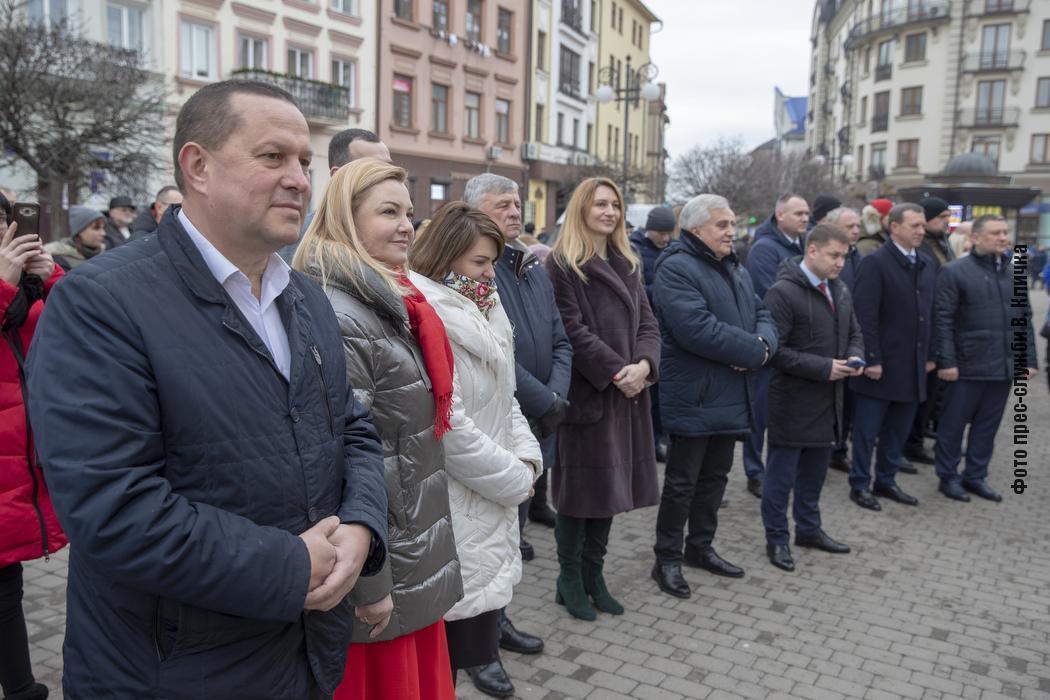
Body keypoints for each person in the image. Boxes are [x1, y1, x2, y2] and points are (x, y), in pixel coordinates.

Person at [25, 79, 389, 698]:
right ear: (197, 166)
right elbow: (110, 505)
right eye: (273, 157)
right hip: (170, 670)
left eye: (304, 161)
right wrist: (288, 566)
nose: (301, 178)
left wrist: (361, 527)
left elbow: (351, 428)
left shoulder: (304, 297)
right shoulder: (101, 302)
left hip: (304, 655)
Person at [293, 159, 462, 700]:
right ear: (345, 218)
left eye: (409, 212)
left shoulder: (384, 298)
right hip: (386, 565)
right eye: (388, 212)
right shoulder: (345, 313)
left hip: (406, 543)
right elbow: (340, 459)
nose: (407, 226)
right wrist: (370, 581)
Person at [408, 203, 542, 700]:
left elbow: (505, 397)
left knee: (470, 642)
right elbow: (448, 424)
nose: (490, 274)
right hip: (454, 503)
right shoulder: (427, 315)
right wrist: (514, 477)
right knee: (440, 656)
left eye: (492, 262)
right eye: (480, 263)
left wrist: (527, 460)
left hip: (492, 494)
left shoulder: (484, 303)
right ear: (446, 259)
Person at [650, 194, 777, 599]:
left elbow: (763, 313)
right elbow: (696, 329)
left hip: (730, 394)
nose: (731, 231)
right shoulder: (676, 268)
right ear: (696, 229)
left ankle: (700, 547)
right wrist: (753, 351)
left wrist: (763, 347)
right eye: (722, 225)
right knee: (682, 482)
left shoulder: (733, 265)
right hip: (695, 395)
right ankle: (666, 558)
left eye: (732, 224)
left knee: (717, 478)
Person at [464, 173, 569, 660]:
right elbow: (496, 357)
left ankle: (499, 623)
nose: (515, 211)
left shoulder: (530, 265)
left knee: (514, 535)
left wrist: (556, 396)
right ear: (473, 212)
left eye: (517, 203)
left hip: (536, 424)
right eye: (502, 204)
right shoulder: (469, 271)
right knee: (485, 541)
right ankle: (480, 650)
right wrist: (545, 401)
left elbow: (559, 337)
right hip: (497, 425)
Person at [546, 177, 661, 618]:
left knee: (611, 491)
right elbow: (571, 331)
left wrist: (645, 366)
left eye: (615, 204)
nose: (610, 212)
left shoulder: (628, 263)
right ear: (581, 209)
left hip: (628, 396)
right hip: (589, 397)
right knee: (580, 495)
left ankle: (595, 574)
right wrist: (618, 370)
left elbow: (649, 323)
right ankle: (570, 577)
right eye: (600, 204)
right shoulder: (561, 265)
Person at [761, 224, 862, 572]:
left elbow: (854, 333)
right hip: (792, 403)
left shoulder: (841, 289)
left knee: (815, 475)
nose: (840, 263)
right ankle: (776, 539)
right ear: (812, 251)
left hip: (828, 402)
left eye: (844, 257)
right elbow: (774, 352)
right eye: (834, 255)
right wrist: (823, 367)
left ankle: (808, 529)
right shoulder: (782, 292)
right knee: (781, 478)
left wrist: (855, 357)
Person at [0, 193, 67, 700]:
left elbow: (73, 335)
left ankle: (23, 691)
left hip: (20, 464)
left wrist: (52, 278)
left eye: (7, 223)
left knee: (7, 589)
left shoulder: (27, 285)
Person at [933, 215, 1038, 503]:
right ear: (976, 238)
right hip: (966, 366)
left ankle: (975, 477)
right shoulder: (954, 272)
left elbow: (1024, 319)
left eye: (1005, 232)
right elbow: (942, 320)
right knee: (953, 426)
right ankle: (948, 477)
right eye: (995, 233)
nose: (1003, 238)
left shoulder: (1015, 272)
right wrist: (947, 362)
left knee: (987, 428)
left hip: (1001, 368)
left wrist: (1028, 359)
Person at [848, 203, 936, 511]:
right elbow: (864, 315)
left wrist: (931, 353)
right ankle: (860, 484)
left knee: (897, 430)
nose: (920, 231)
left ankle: (885, 480)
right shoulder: (875, 263)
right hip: (881, 365)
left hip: (912, 365)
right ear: (894, 227)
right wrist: (870, 358)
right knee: (866, 430)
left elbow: (931, 313)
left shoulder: (925, 263)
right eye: (914, 225)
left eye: (923, 226)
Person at [742, 193, 810, 498]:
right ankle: (754, 471)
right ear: (779, 215)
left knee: (786, 412)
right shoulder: (764, 249)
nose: (805, 218)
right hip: (771, 344)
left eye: (807, 213)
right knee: (760, 413)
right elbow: (771, 296)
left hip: (797, 346)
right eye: (798, 213)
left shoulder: (804, 245)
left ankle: (780, 469)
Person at [280, 128, 392, 262]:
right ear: (338, 175)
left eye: (389, 168)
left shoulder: (394, 232)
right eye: (372, 169)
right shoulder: (297, 237)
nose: (389, 177)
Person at [902, 197, 956, 468]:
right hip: (926, 330)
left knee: (932, 393)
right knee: (918, 394)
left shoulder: (941, 244)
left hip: (939, 329)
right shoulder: (922, 249)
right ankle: (909, 443)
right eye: (942, 216)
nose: (947, 221)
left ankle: (917, 438)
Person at [630, 206, 677, 464]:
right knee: (649, 393)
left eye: (669, 233)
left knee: (661, 393)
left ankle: (659, 438)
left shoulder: (672, 250)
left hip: (666, 329)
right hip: (647, 328)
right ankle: (649, 442)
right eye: (661, 232)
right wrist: (663, 290)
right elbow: (636, 290)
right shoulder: (635, 249)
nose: (665, 238)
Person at [824, 206, 863, 472]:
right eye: (850, 226)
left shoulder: (860, 256)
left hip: (850, 342)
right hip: (828, 347)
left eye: (858, 225)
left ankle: (838, 449)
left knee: (848, 405)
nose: (856, 231)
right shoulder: (828, 261)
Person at [43, 205, 106, 270]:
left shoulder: (105, 255)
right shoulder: (61, 260)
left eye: (103, 228)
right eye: (96, 228)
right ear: (79, 231)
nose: (103, 233)